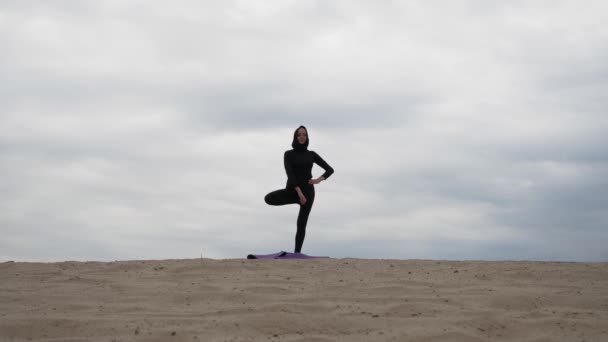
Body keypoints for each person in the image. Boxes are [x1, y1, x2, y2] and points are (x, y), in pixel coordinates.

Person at [264, 125, 334, 253]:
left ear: (307, 137)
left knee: (301, 224)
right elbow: (290, 174)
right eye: (299, 134)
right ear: (295, 137)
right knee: (268, 198)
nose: (302, 137)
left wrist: (318, 180)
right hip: (293, 190)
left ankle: (297, 253)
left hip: (308, 193)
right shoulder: (288, 154)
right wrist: (299, 193)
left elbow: (330, 170)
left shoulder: (311, 154)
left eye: (304, 134)